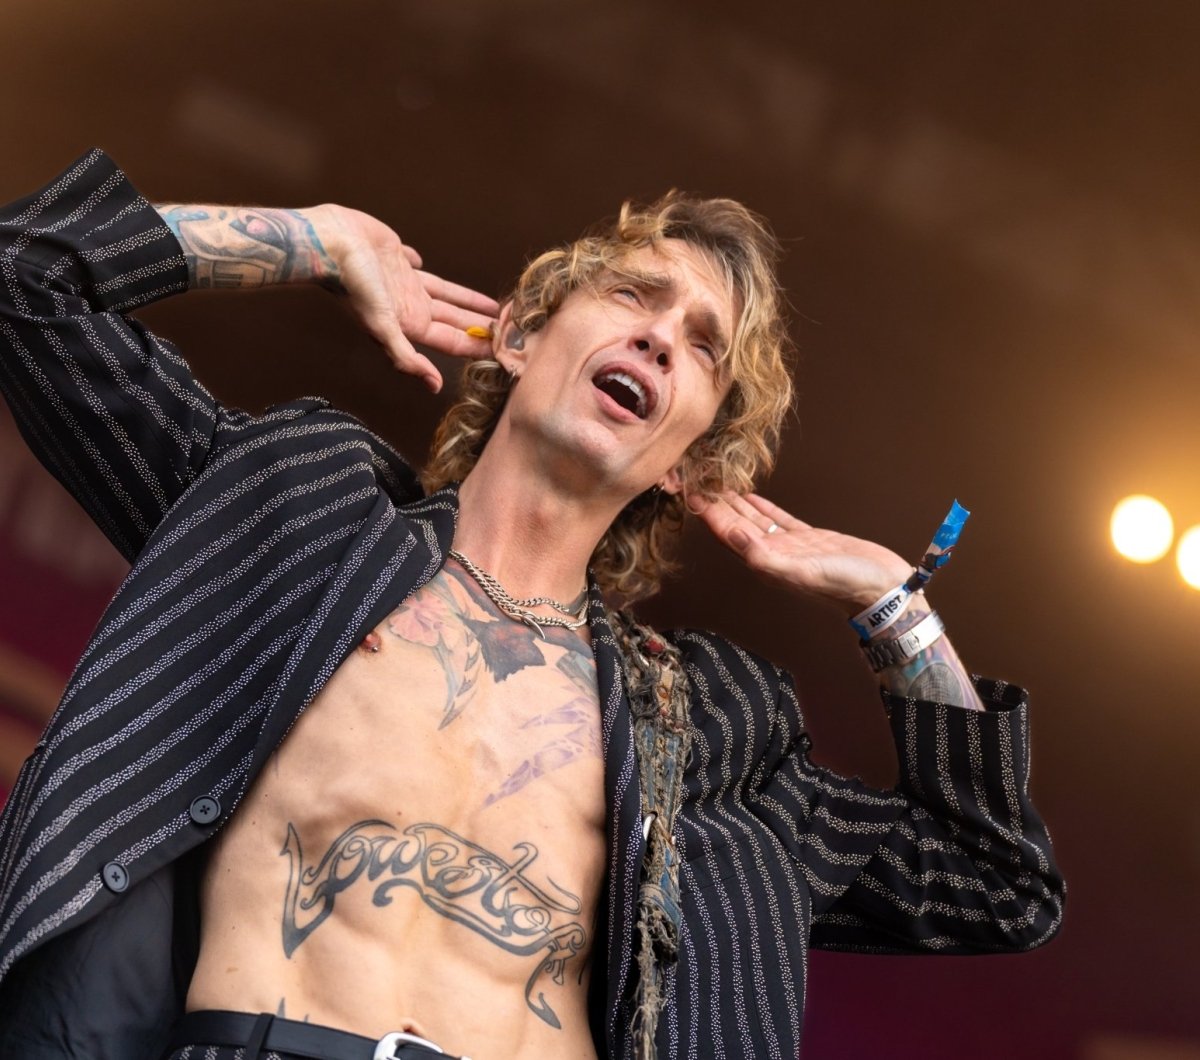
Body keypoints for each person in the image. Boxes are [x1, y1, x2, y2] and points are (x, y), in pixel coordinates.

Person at [0, 149, 1064, 1060]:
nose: (661, 337)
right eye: (635, 295)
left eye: (703, 345)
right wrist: (315, 241)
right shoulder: (300, 512)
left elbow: (995, 880)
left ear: (689, 463)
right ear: (518, 336)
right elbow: (27, 276)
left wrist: (892, 606)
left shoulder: (710, 730)